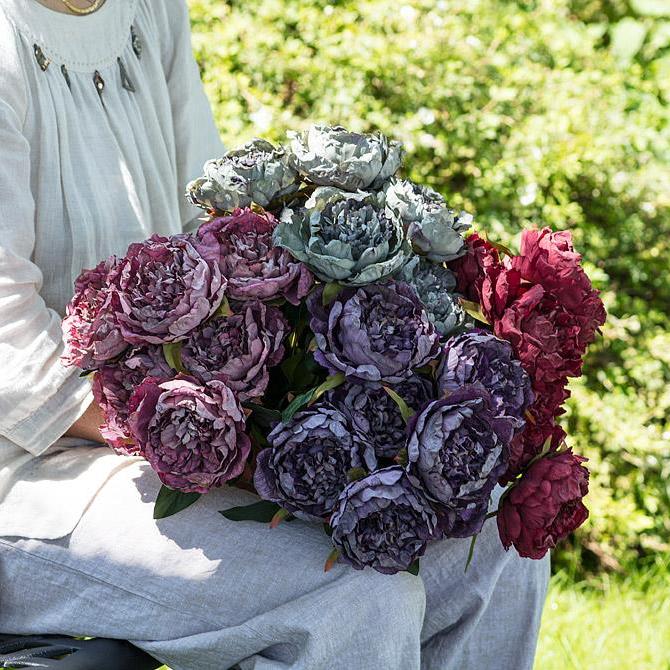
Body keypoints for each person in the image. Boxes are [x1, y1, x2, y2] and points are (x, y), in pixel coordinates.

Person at [0, 1, 549, 668]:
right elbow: (10, 353)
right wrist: (204, 441)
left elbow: (202, 220)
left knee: (489, 531)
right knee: (355, 598)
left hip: (176, 433)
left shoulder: (148, 9)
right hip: (34, 475)